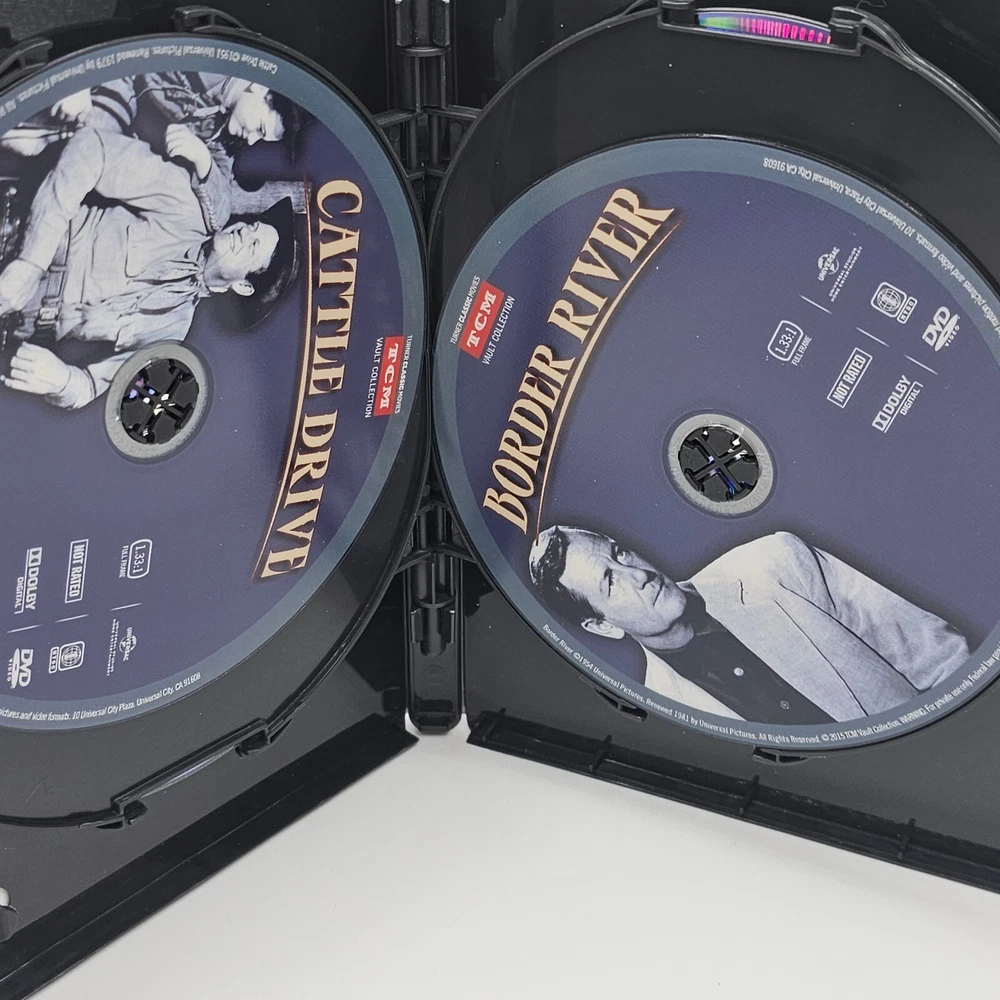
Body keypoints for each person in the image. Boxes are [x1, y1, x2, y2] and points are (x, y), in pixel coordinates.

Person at [529, 526, 970, 724]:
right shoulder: (666, 713)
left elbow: (939, 658)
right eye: (610, 582)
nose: (637, 575)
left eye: (620, 553)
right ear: (601, 626)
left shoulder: (774, 563)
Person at [0, 126, 297, 409]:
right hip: (9, 237)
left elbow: (94, 386)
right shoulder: (186, 209)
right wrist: (30, 262)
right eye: (253, 226)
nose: (245, 232)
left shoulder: (171, 330)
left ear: (243, 285)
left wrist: (63, 381)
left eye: (254, 246)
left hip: (10, 322)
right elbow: (91, 147)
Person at [11, 73, 297, 231]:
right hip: (106, 94)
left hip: (113, 150)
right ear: (258, 87)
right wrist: (80, 80)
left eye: (261, 139)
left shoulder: (223, 135)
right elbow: (129, 47)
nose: (251, 141)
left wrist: (203, 160)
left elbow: (219, 214)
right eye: (260, 128)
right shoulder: (209, 63)